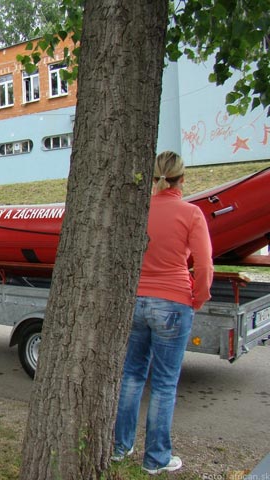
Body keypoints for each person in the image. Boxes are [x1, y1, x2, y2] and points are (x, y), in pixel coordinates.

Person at [112, 151, 214, 475]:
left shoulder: (138, 211)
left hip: (137, 300)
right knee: (165, 384)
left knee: (131, 375)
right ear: (182, 178)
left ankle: (120, 447)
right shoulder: (191, 214)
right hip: (173, 302)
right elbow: (204, 264)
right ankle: (155, 458)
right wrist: (197, 299)